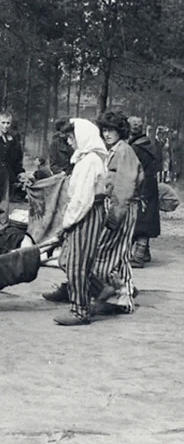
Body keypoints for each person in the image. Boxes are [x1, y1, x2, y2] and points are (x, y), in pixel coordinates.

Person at [50, 119, 109, 326]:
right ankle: (101, 290)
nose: (69, 141)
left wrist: (66, 224)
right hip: (83, 213)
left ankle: (80, 310)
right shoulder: (83, 159)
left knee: (77, 263)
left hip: (88, 214)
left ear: (83, 137)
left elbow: (82, 199)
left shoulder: (91, 161)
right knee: (66, 259)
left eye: (71, 137)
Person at [91, 109, 143, 315]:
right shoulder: (114, 149)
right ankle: (123, 291)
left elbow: (125, 185)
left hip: (123, 206)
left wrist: (115, 215)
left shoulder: (124, 151)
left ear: (121, 130)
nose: (107, 134)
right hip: (116, 205)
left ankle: (124, 295)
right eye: (104, 129)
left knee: (109, 251)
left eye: (112, 129)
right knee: (118, 253)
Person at [127, 117, 160, 268]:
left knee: (141, 222)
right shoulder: (148, 144)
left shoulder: (135, 148)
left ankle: (139, 256)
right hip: (150, 185)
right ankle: (144, 253)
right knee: (146, 218)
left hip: (141, 186)